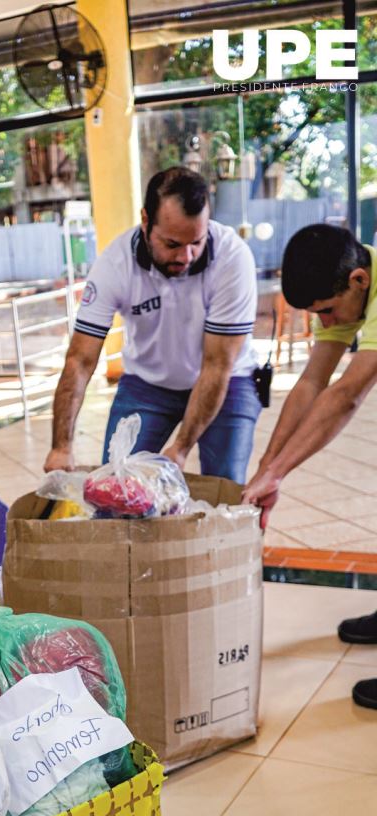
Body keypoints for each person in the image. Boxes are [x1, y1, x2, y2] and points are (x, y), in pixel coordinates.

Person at [44, 166, 261, 483]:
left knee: (225, 486)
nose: (186, 256)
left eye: (196, 242)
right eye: (172, 244)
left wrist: (182, 448)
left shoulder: (233, 258)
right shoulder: (115, 264)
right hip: (148, 385)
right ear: (146, 222)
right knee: (117, 484)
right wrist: (61, 446)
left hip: (228, 380)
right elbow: (80, 360)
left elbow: (218, 364)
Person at [243, 224, 377, 712]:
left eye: (326, 310)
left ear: (358, 280)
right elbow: (312, 382)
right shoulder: (354, 288)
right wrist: (267, 467)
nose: (324, 321)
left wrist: (278, 473)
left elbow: (346, 395)